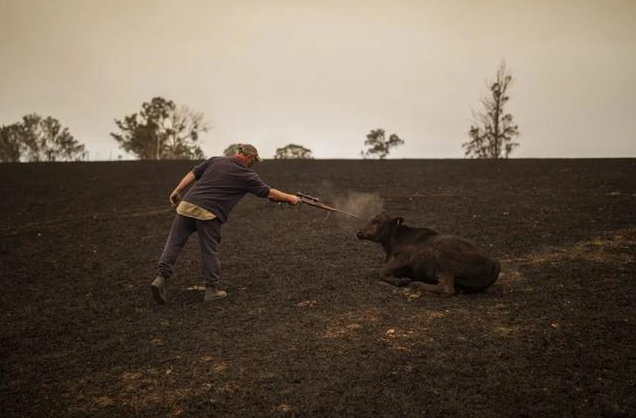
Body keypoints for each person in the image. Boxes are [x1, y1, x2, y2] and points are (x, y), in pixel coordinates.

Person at [150, 144, 300, 304]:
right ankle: (211, 290)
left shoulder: (215, 160)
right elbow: (268, 192)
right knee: (209, 250)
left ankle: (160, 278)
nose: (253, 164)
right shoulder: (246, 175)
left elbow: (193, 173)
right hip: (208, 213)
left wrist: (177, 190)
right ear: (249, 158)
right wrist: (291, 198)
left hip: (186, 205)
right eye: (254, 161)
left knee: (174, 243)